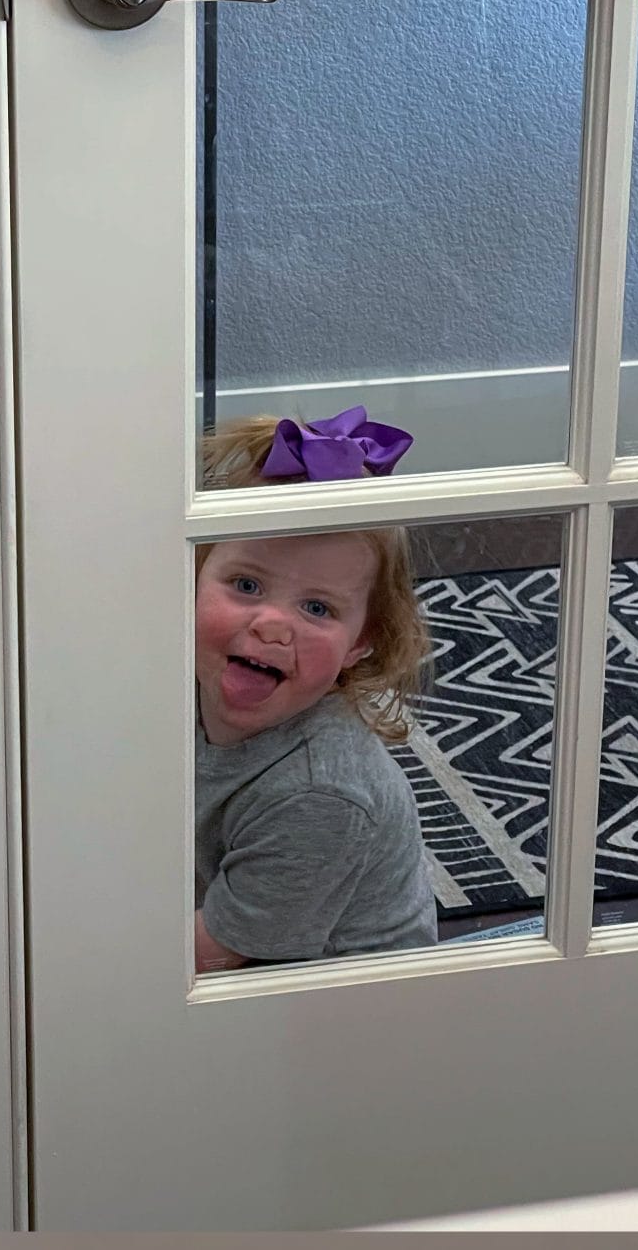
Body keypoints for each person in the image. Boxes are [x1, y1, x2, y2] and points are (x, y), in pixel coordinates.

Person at [194, 406, 438, 973]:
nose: (273, 626)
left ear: (362, 642)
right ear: (195, 574)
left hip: (335, 1019)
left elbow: (211, 955)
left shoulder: (319, 794)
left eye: (317, 607)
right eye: (246, 584)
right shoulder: (182, 681)